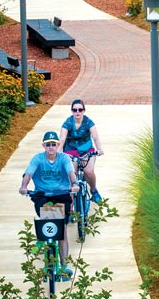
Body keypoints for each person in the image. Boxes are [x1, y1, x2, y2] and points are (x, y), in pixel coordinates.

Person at [19, 130, 79, 277]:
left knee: (62, 231)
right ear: (43, 146)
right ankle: (46, 251)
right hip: (42, 196)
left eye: (53, 144)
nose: (51, 147)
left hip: (61, 195)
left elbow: (71, 172)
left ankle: (64, 266)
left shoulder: (64, 158)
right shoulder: (38, 159)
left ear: (58, 145)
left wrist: (75, 183)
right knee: (47, 225)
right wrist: (24, 186)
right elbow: (29, 173)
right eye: (48, 144)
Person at [58, 99, 105, 203]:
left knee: (89, 171)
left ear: (84, 110)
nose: (77, 112)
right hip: (70, 151)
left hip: (87, 150)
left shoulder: (88, 122)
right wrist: (58, 153)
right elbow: (62, 139)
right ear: (72, 111)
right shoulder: (68, 122)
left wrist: (99, 149)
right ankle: (71, 204)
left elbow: (95, 136)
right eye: (75, 110)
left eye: (80, 110)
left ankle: (94, 191)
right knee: (72, 174)